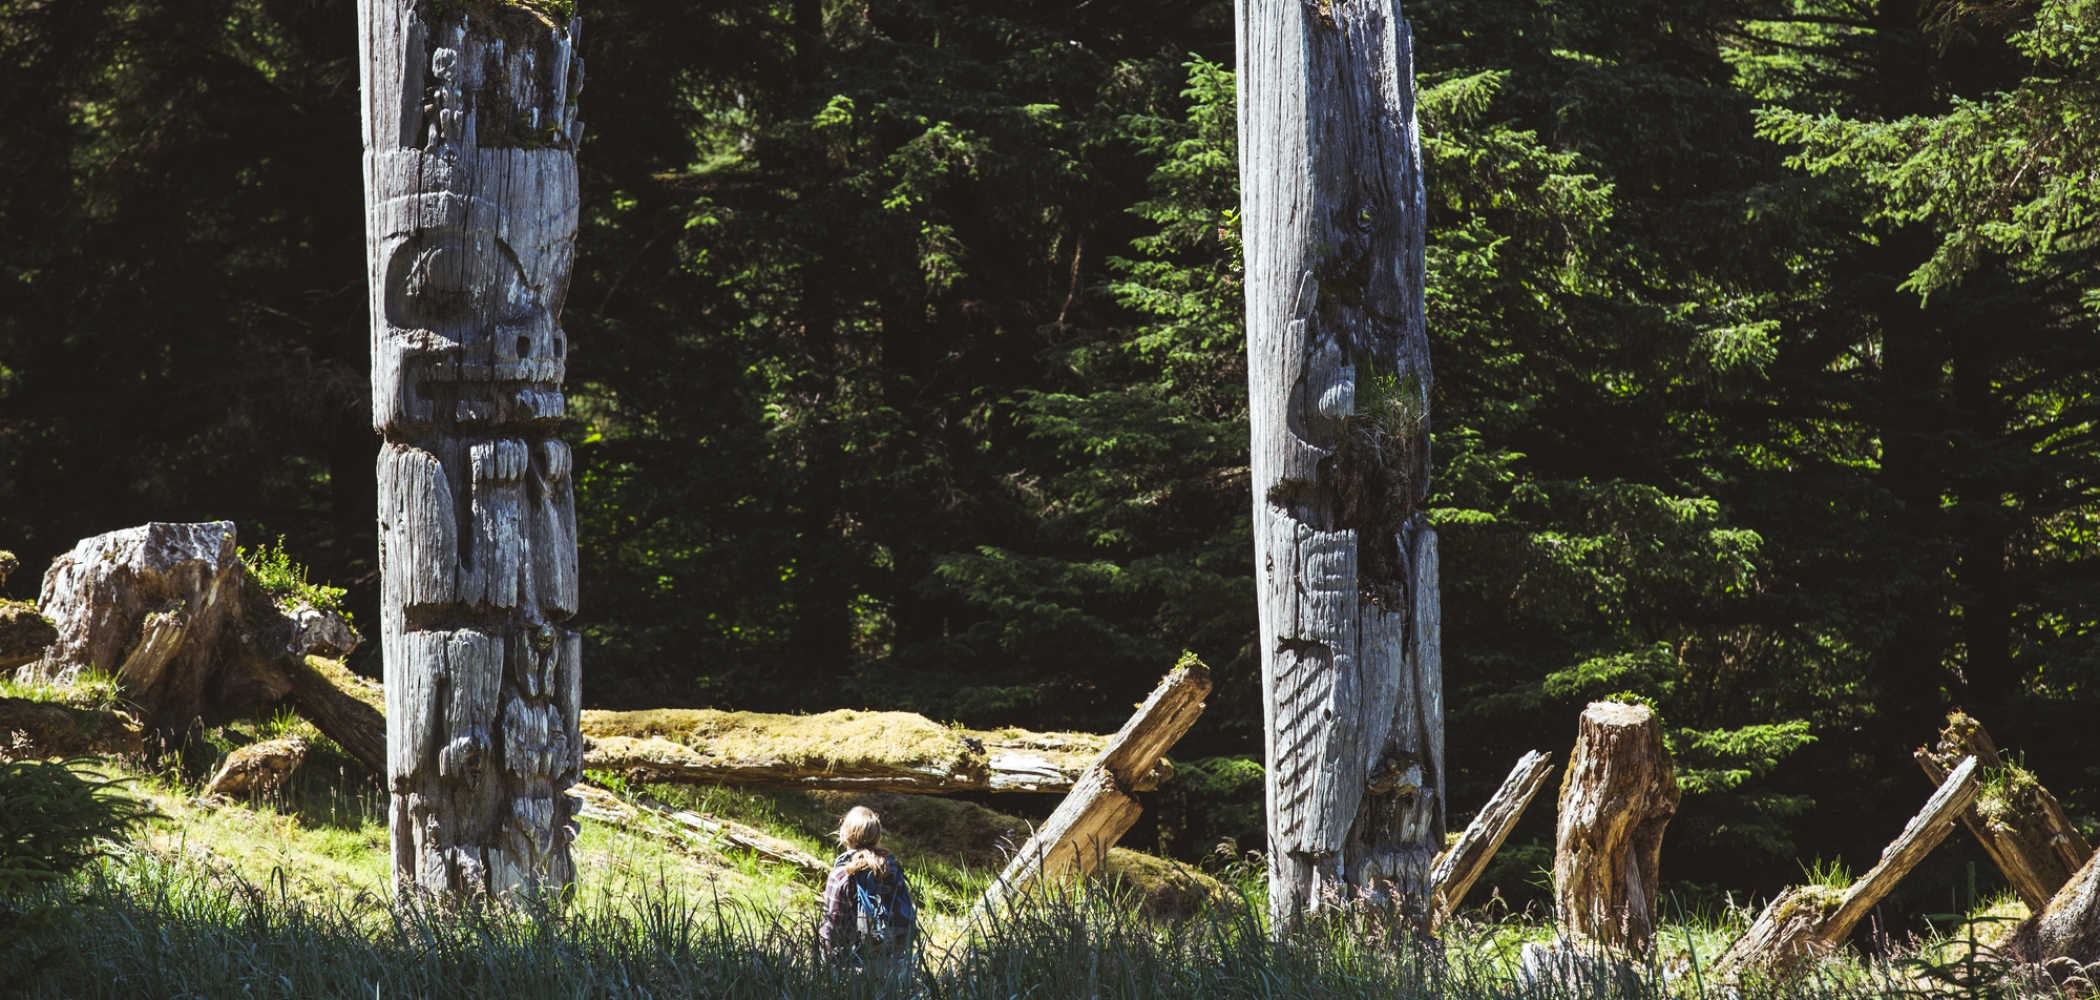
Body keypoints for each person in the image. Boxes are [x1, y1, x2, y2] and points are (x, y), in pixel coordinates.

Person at [818, 806, 918, 958]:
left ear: (845, 833)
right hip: (893, 960)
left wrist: (823, 963)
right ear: (877, 835)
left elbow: (831, 925)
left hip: (852, 962)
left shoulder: (841, 874)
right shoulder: (891, 868)